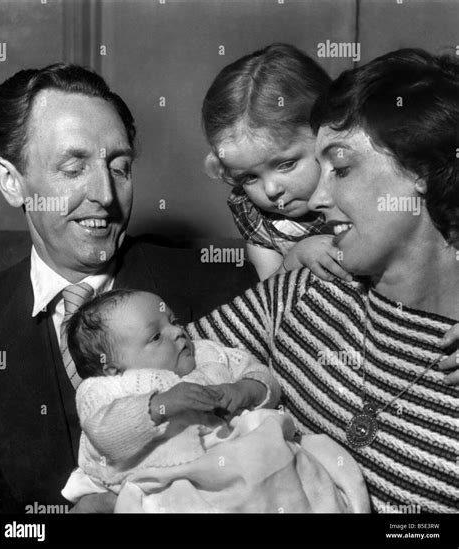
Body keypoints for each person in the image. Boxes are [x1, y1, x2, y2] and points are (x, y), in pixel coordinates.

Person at [188, 49, 459, 513]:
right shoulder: (302, 288)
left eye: (343, 167)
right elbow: (144, 382)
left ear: (420, 173)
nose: (316, 197)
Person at [0, 64, 257, 512]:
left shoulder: (223, 283)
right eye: (74, 168)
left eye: (120, 167)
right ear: (11, 180)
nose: (106, 196)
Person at [61, 289, 369, 513]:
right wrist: (160, 405)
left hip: (254, 460)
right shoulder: (104, 389)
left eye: (173, 320)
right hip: (170, 482)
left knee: (306, 467)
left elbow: (261, 375)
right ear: (111, 367)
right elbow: (104, 430)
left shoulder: (209, 353)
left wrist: (247, 390)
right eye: (156, 337)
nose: (178, 332)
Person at [202, 43, 352, 283]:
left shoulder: (359, 188)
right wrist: (296, 258)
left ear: (327, 134)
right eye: (249, 177)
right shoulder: (255, 215)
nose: (271, 191)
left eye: (286, 164)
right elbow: (268, 301)